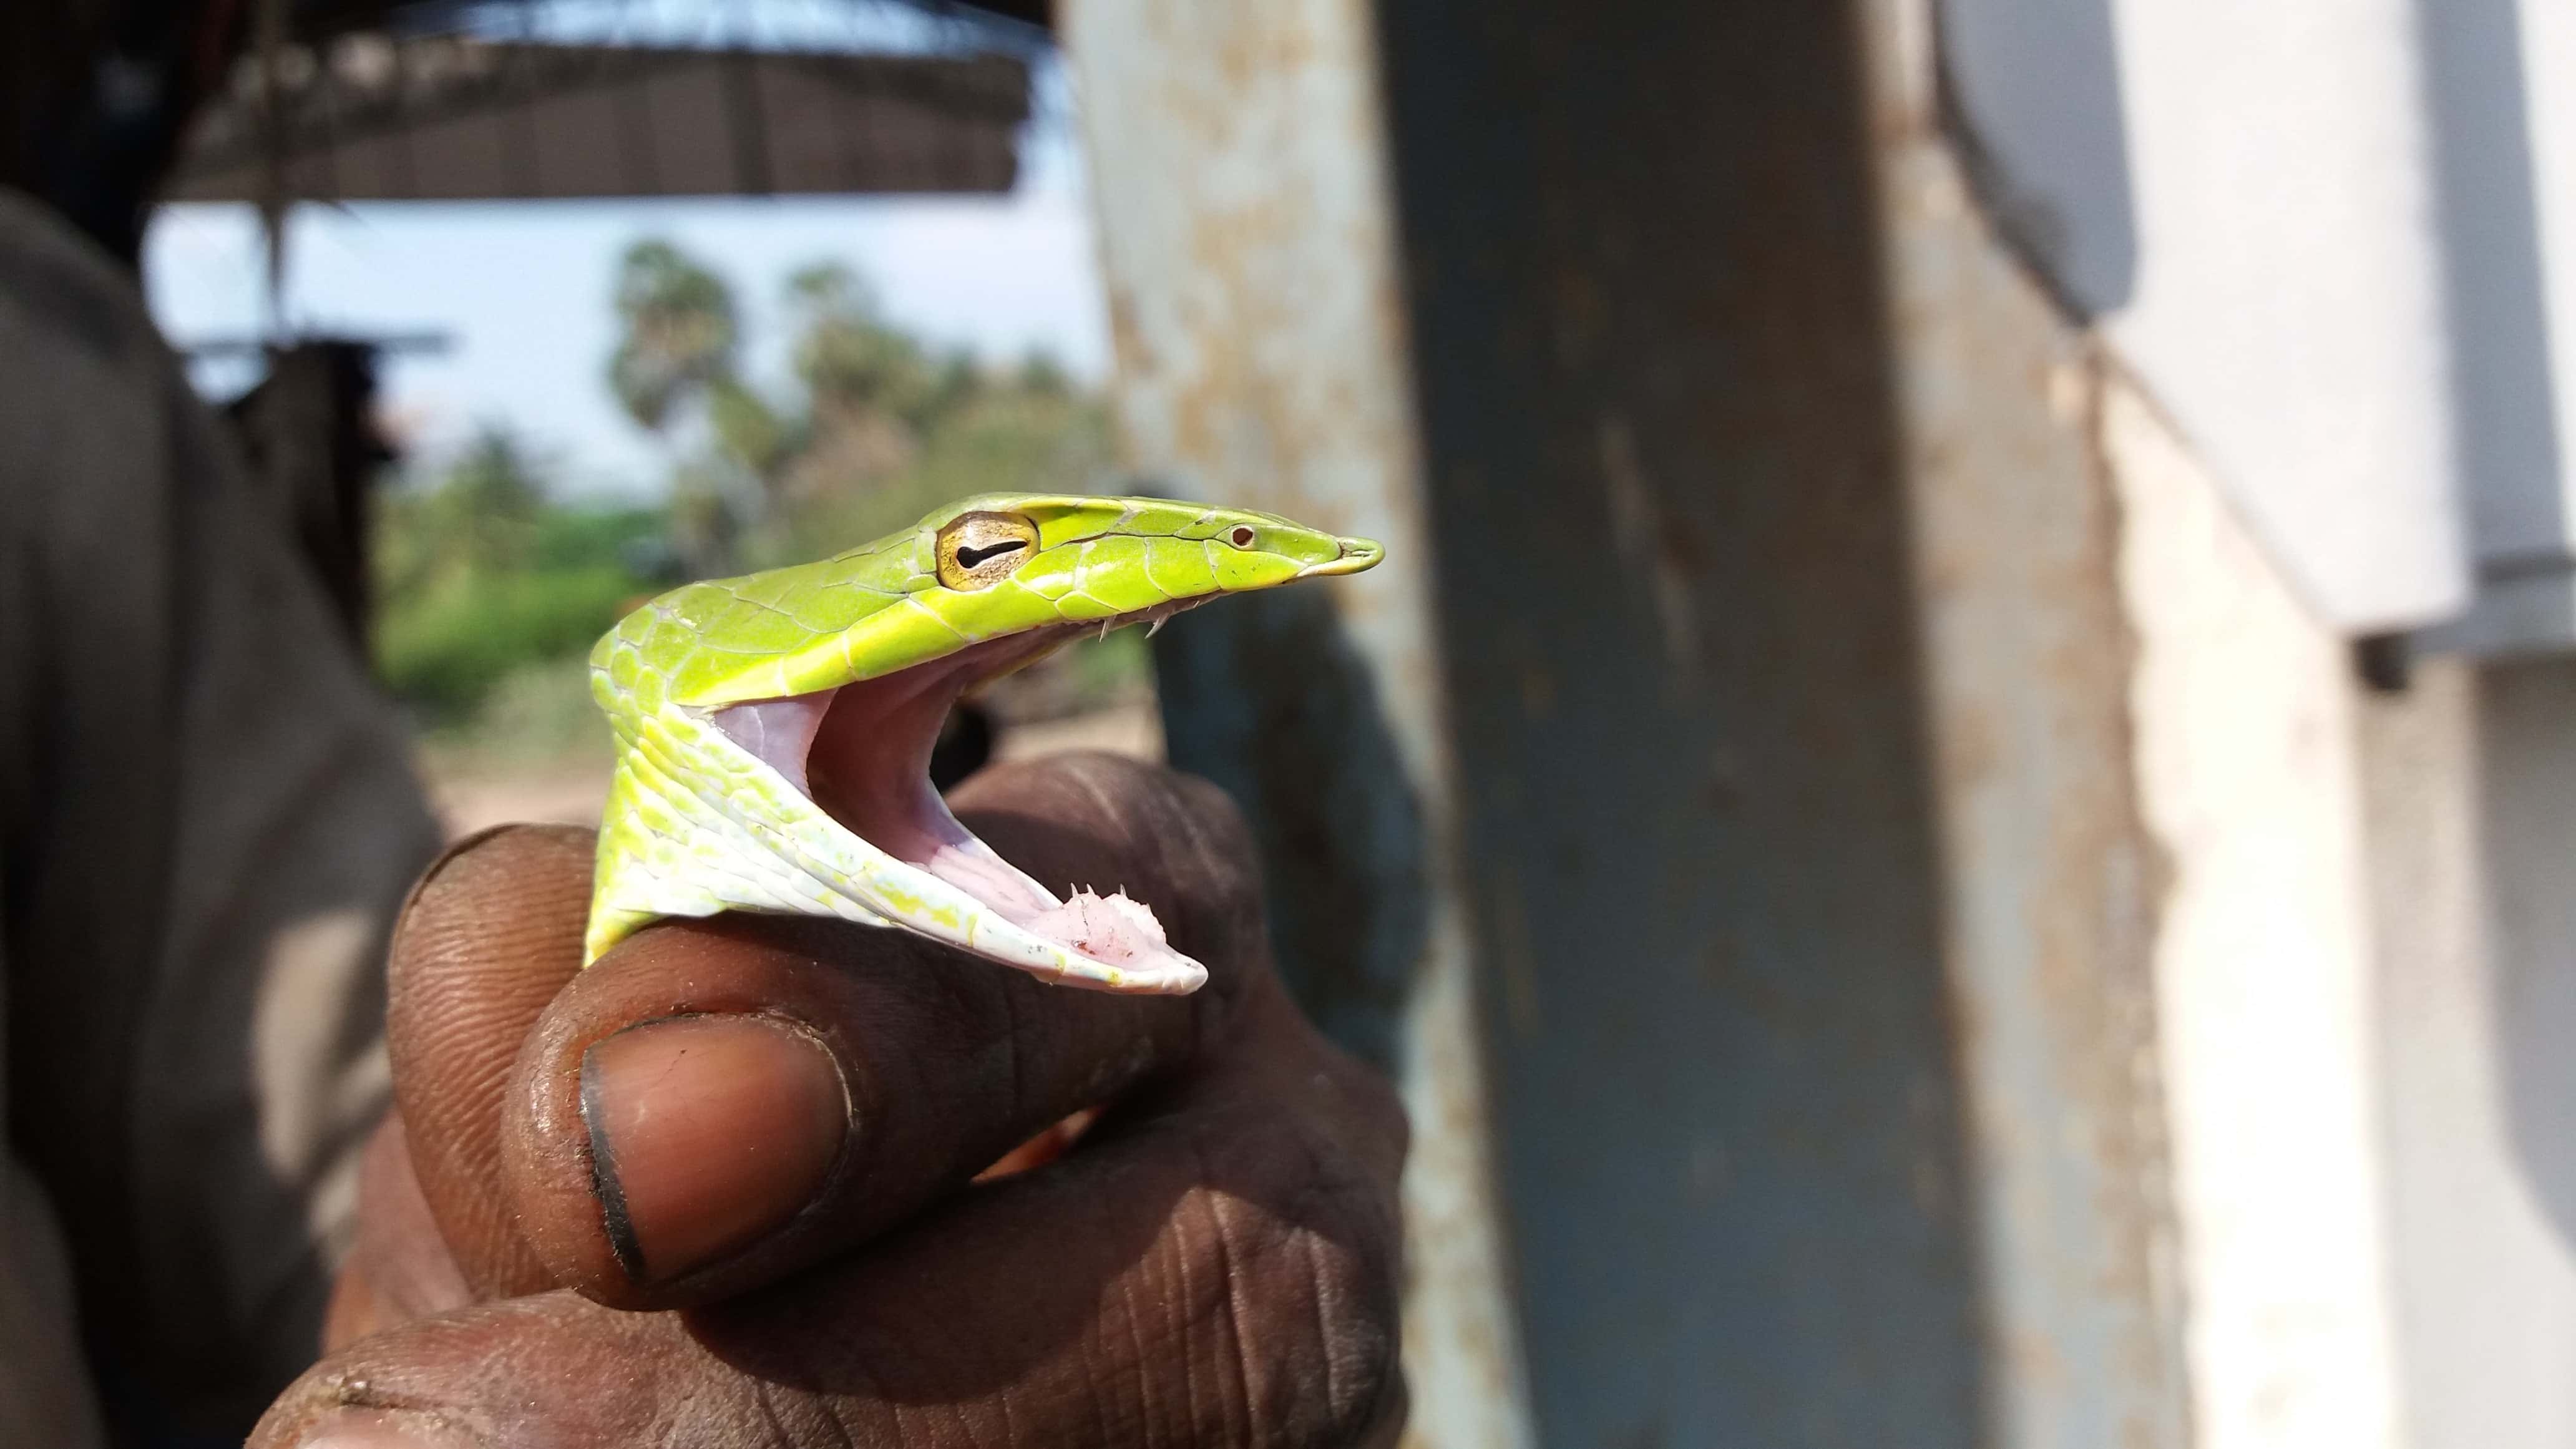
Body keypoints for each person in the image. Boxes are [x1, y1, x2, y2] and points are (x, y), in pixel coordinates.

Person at [0, 16, 1407, 1445]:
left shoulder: (41, 371)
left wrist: (432, 1310)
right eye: (983, 561)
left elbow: (304, 1185)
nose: (1002, 580)